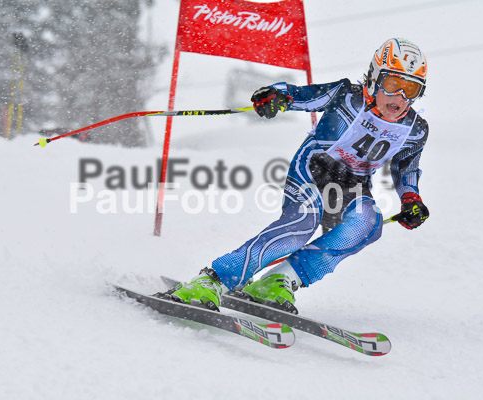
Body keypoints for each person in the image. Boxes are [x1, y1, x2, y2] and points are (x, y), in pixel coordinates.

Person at [166, 38, 430, 313]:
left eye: (410, 88)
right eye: (391, 84)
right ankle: (214, 280)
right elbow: (302, 95)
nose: (399, 96)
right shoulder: (347, 96)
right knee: (303, 224)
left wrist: (411, 199)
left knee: (369, 224)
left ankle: (281, 279)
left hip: (352, 186)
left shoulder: (415, 130)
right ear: (375, 78)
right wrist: (276, 96)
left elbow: (406, 167)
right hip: (313, 170)